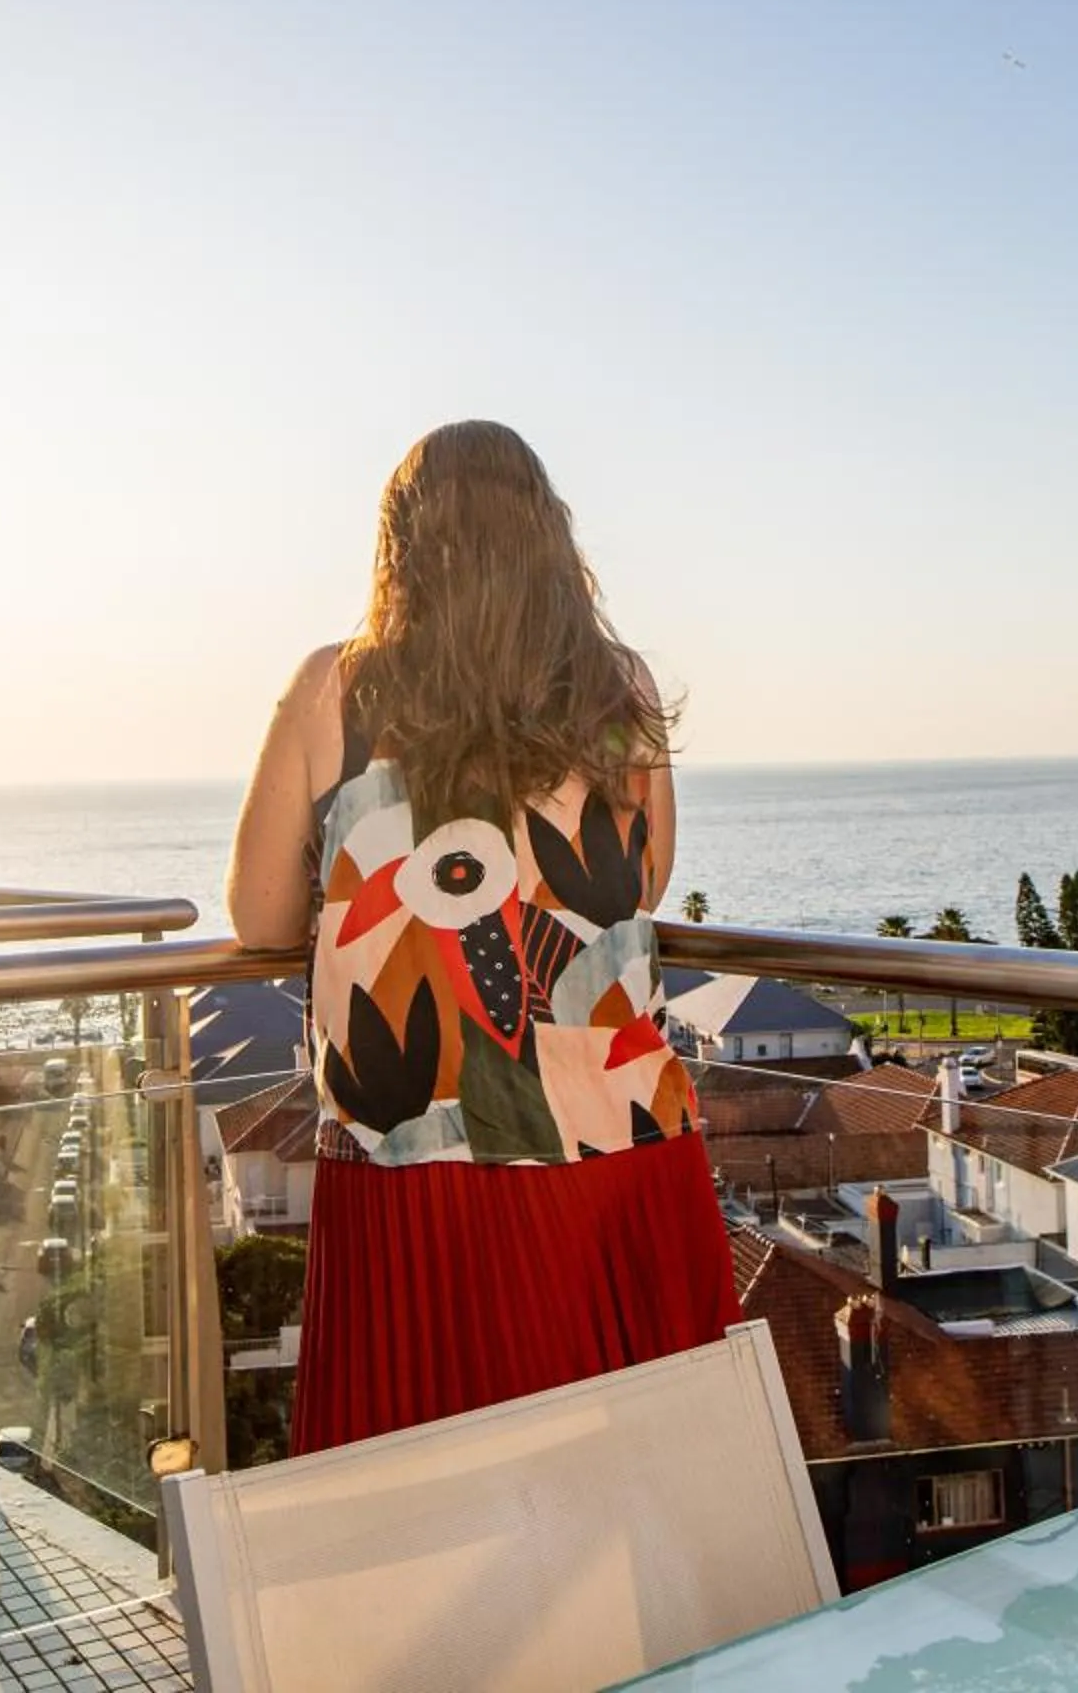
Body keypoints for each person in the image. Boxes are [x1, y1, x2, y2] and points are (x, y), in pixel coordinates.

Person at [226, 419, 738, 1454]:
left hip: (421, 1167)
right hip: (622, 1154)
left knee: (429, 1510)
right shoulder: (621, 691)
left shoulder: (340, 687)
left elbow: (259, 919)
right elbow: (641, 880)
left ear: (401, 545)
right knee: (649, 1501)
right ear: (551, 539)